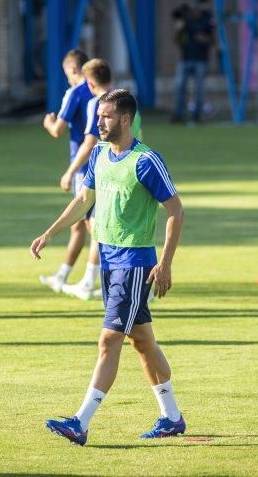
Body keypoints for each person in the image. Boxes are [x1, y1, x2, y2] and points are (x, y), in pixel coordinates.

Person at [31, 89, 186, 445]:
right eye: (99, 115)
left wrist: (165, 263)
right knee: (143, 341)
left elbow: (177, 211)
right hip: (108, 258)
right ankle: (172, 418)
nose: (99, 122)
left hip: (134, 261)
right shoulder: (99, 154)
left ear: (126, 120)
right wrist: (49, 234)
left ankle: (80, 422)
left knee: (109, 339)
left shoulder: (146, 161)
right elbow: (83, 200)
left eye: (106, 117)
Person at [59, 58, 145, 301]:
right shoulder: (128, 102)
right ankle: (125, 281)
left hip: (106, 169)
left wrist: (70, 171)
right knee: (119, 224)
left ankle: (92, 281)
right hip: (129, 165)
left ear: (89, 80)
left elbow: (90, 142)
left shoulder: (98, 104)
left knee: (100, 227)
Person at [39, 49, 93, 293]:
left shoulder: (75, 92)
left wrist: (47, 122)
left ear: (73, 69)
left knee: (93, 225)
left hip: (82, 165)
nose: (67, 78)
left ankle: (94, 281)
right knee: (78, 225)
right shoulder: (96, 90)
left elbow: (58, 130)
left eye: (66, 74)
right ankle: (62, 276)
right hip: (97, 160)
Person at [171, 0, 215, 125]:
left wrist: (204, 39)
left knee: (199, 89)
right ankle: (178, 114)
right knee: (180, 87)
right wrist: (179, 26)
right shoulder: (186, 20)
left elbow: (212, 39)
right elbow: (177, 35)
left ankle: (197, 115)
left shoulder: (207, 18)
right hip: (185, 58)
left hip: (201, 59)